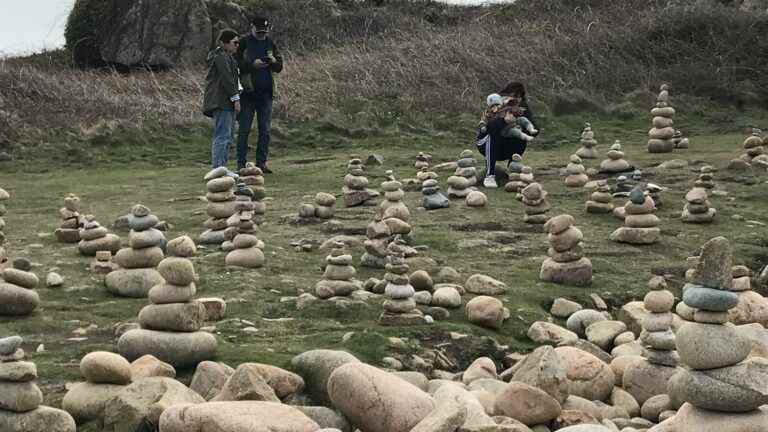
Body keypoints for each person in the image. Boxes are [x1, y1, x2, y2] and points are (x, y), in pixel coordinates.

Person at [235, 15, 284, 173]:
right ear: (252, 27)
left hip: (266, 93)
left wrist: (272, 62)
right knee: (244, 129)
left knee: (265, 130)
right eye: (259, 31)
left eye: (264, 31)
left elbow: (279, 66)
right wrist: (252, 65)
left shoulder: (270, 43)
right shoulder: (243, 43)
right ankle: (241, 164)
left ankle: (261, 162)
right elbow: (234, 63)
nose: (262, 34)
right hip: (247, 94)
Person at [476, 82, 539, 188]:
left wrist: (523, 127)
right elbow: (488, 129)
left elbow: (535, 128)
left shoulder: (521, 107)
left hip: (507, 145)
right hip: (487, 144)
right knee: (492, 136)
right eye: (514, 96)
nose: (517, 99)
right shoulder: (495, 106)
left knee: (520, 137)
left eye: (519, 96)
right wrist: (504, 121)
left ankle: (513, 169)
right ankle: (489, 175)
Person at [203, 29, 241, 171]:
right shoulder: (219, 56)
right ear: (225, 43)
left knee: (228, 136)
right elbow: (227, 78)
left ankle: (222, 167)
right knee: (222, 135)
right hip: (221, 101)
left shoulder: (229, 57)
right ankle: (218, 168)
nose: (237, 45)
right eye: (234, 43)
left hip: (227, 102)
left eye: (238, 43)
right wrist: (236, 98)